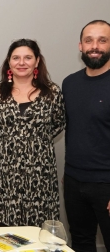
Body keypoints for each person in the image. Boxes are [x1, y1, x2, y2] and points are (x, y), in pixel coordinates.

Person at [0, 39, 65, 227]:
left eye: (28, 58)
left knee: (38, 234)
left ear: (37, 61)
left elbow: (58, 124)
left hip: (40, 176)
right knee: (5, 236)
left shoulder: (52, 93)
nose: (21, 63)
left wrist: (32, 142)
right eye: (16, 58)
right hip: (2, 175)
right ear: (9, 62)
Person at [62, 20, 110, 252]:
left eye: (102, 40)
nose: (95, 46)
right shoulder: (70, 83)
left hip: (107, 184)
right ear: (80, 46)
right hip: (74, 181)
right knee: (81, 242)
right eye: (89, 40)